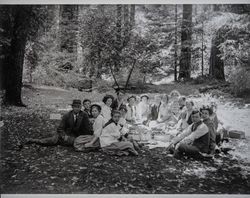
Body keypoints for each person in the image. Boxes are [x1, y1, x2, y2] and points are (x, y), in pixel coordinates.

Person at [26, 99, 93, 146]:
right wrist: (64, 136)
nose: (77, 108)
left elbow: (87, 127)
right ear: (72, 107)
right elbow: (60, 128)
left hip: (77, 135)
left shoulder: (84, 115)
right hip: (67, 133)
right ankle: (33, 140)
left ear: (80, 107)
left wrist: (90, 135)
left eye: (78, 107)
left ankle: (65, 141)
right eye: (75, 107)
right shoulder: (67, 115)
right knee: (51, 141)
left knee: (76, 142)